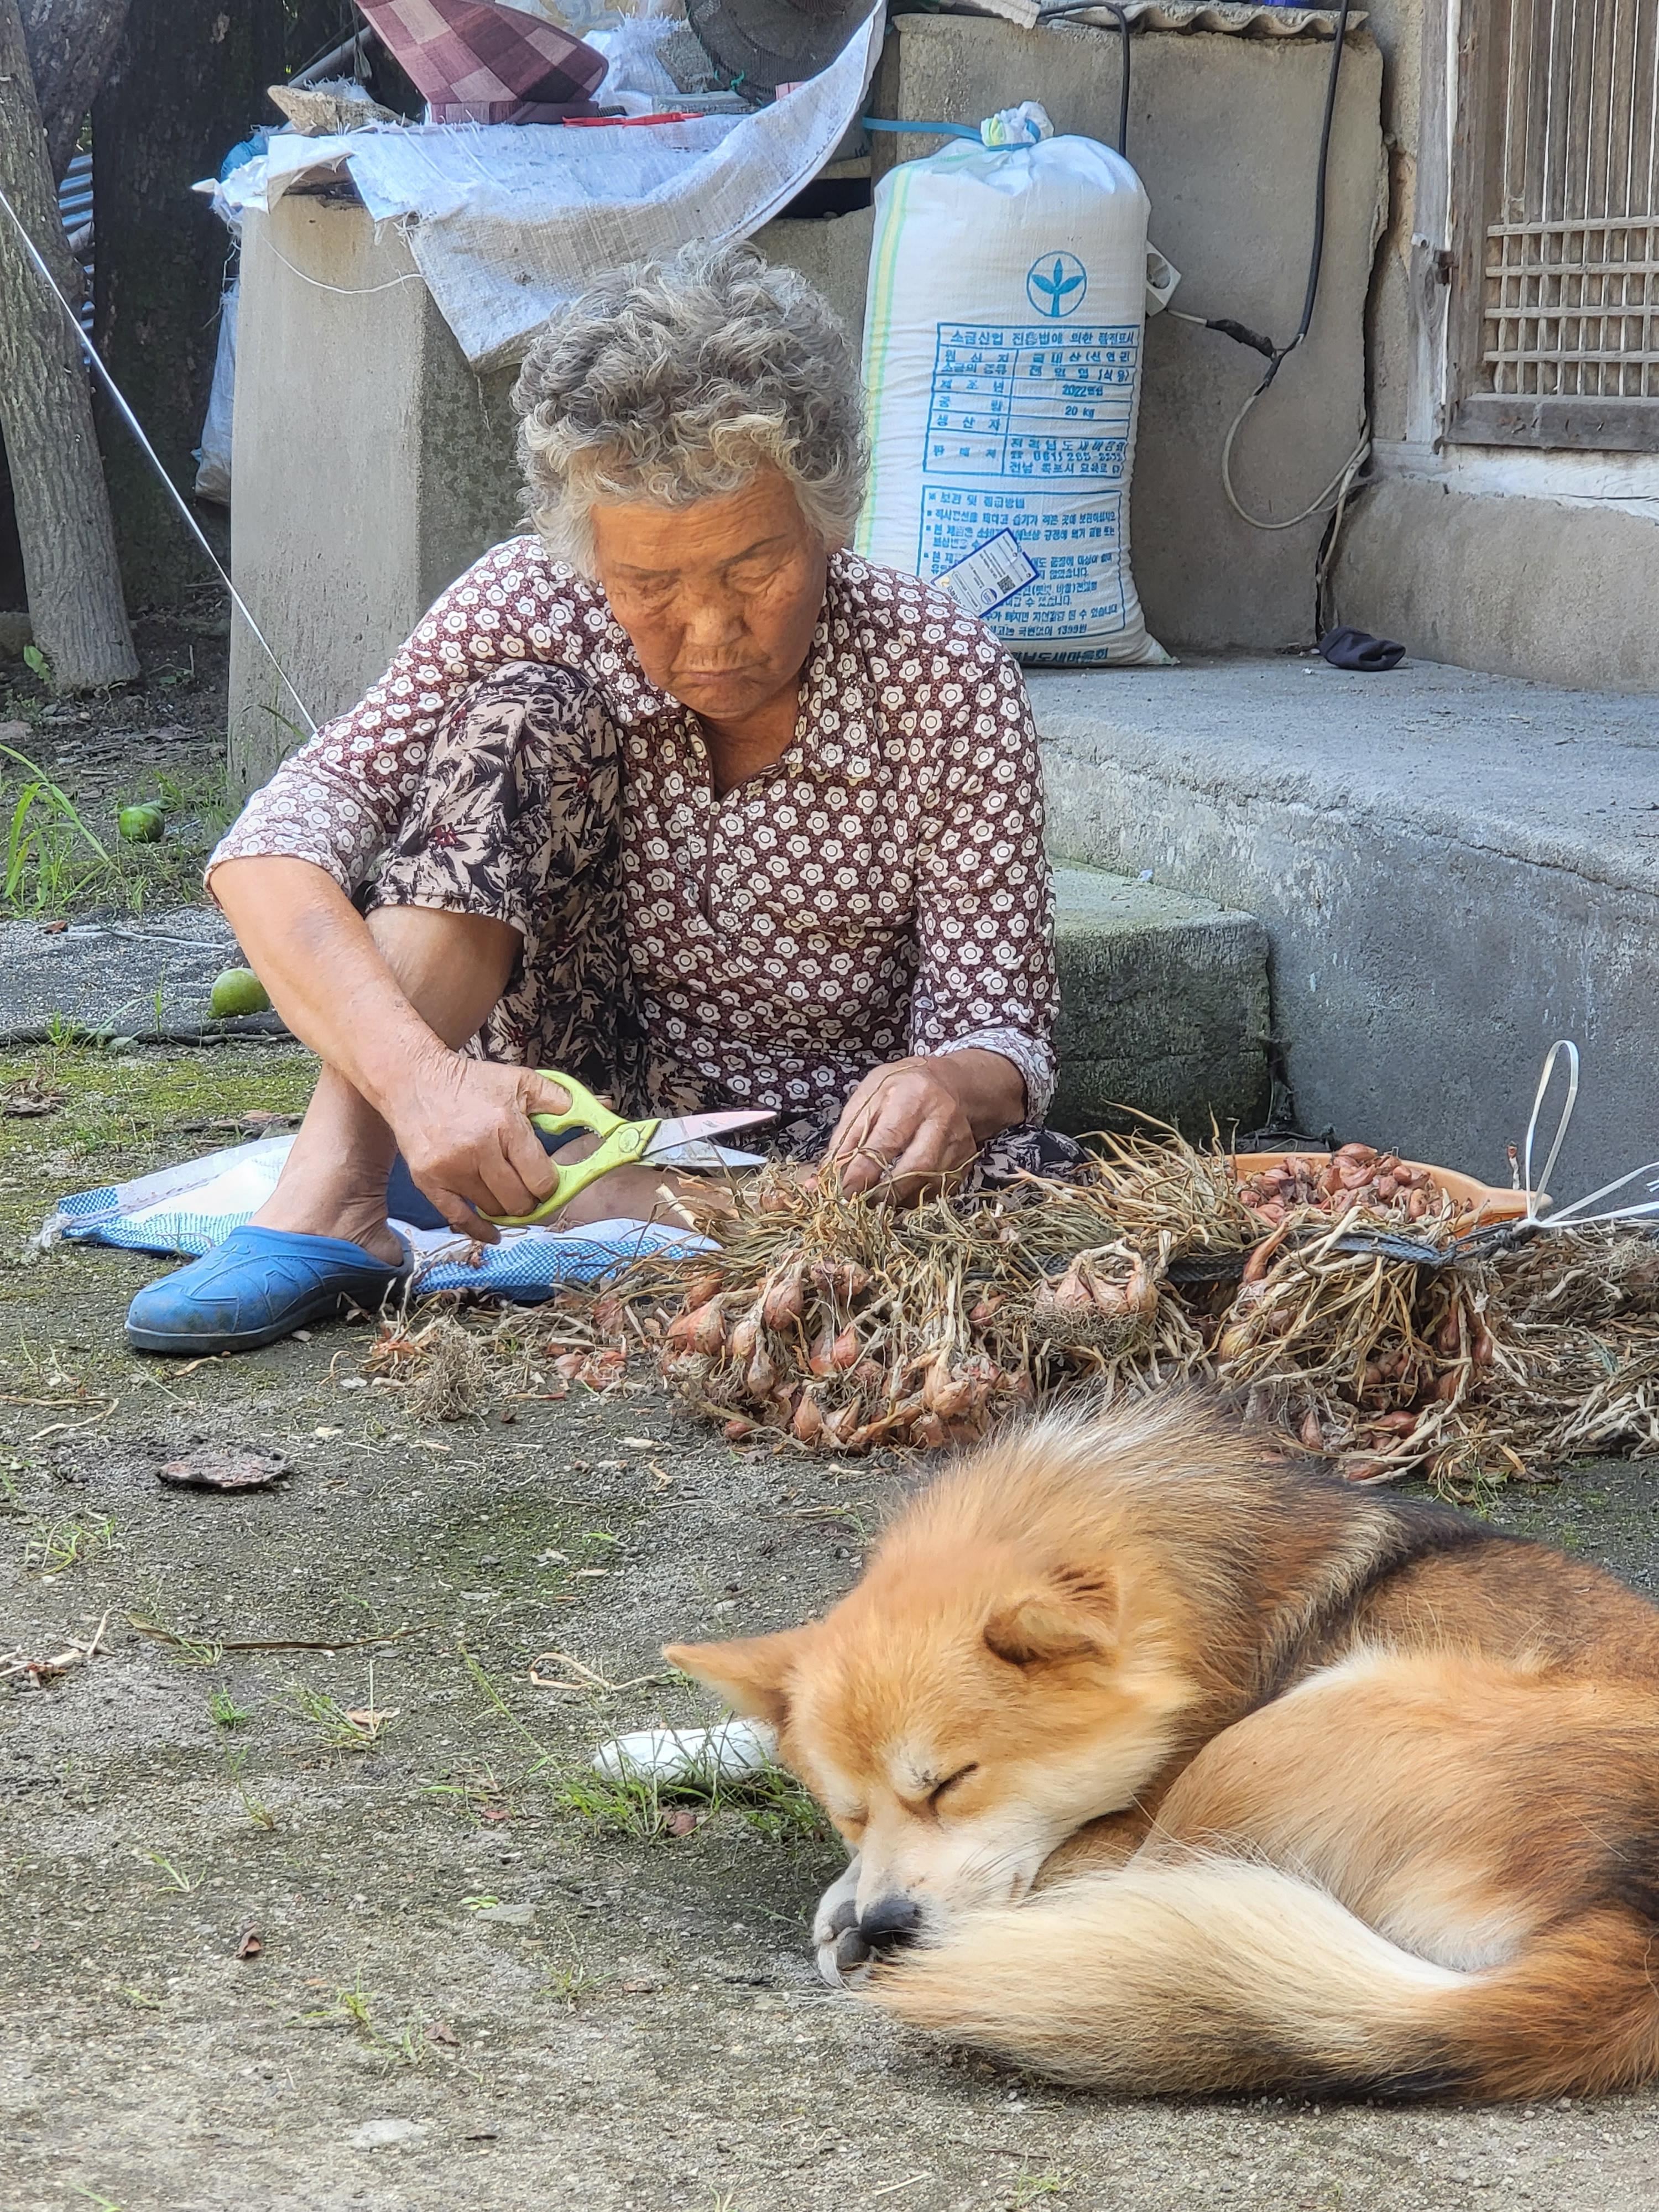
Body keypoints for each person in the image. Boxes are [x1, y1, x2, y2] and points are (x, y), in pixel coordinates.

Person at [125, 244, 1066, 1355]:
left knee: (992, 1227)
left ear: (830, 519)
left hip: (827, 1163)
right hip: (553, 1098)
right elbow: (273, 848)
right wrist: (423, 1082)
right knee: (519, 718)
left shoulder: (940, 678)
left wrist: (948, 1083)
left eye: (754, 570)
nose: (711, 632)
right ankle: (333, 1196)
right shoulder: (531, 602)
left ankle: (592, 1208)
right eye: (650, 585)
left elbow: (1001, 1025)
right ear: (588, 556)